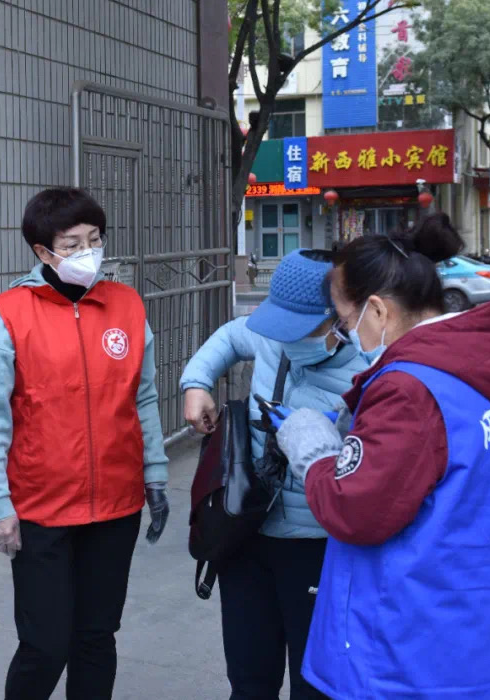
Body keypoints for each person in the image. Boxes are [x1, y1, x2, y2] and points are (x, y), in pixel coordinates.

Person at [269, 214, 490, 699]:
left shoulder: (408, 388)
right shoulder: (485, 372)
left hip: (411, 652)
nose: (347, 334)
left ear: (376, 310)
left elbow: (354, 508)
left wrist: (314, 451)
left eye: (344, 320)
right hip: (487, 639)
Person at [0, 187, 170, 700]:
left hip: (116, 504)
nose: (88, 252)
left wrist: (154, 473)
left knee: (96, 637)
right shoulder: (11, 315)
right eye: (73, 244)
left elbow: (144, 396)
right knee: (45, 644)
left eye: (95, 239)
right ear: (43, 252)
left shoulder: (126, 305)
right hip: (42, 509)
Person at [181, 249, 370, 700]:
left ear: (341, 318)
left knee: (315, 684)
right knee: (249, 678)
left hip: (318, 547)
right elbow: (230, 336)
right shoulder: (270, 336)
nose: (288, 339)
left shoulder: (370, 369)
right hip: (247, 531)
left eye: (302, 329)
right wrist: (196, 383)